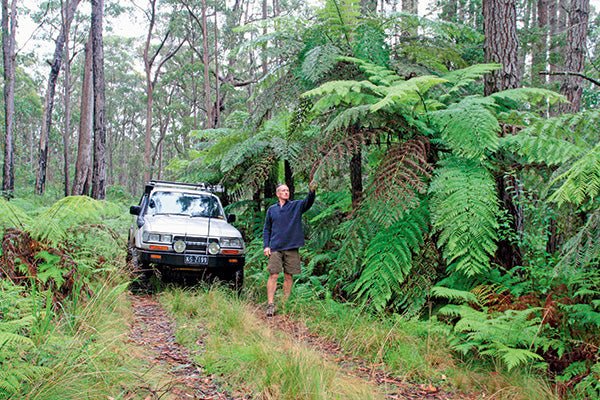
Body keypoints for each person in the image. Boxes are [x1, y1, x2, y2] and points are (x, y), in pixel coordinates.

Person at [263, 182, 316, 317]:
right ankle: (270, 304)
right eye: (283, 191)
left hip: (291, 247)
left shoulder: (296, 206)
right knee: (273, 274)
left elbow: (308, 202)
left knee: (288, 275)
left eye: (287, 190)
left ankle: (285, 303)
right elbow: (267, 229)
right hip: (275, 247)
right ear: (277, 194)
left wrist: (312, 191)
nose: (286, 192)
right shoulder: (271, 210)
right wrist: (266, 246)